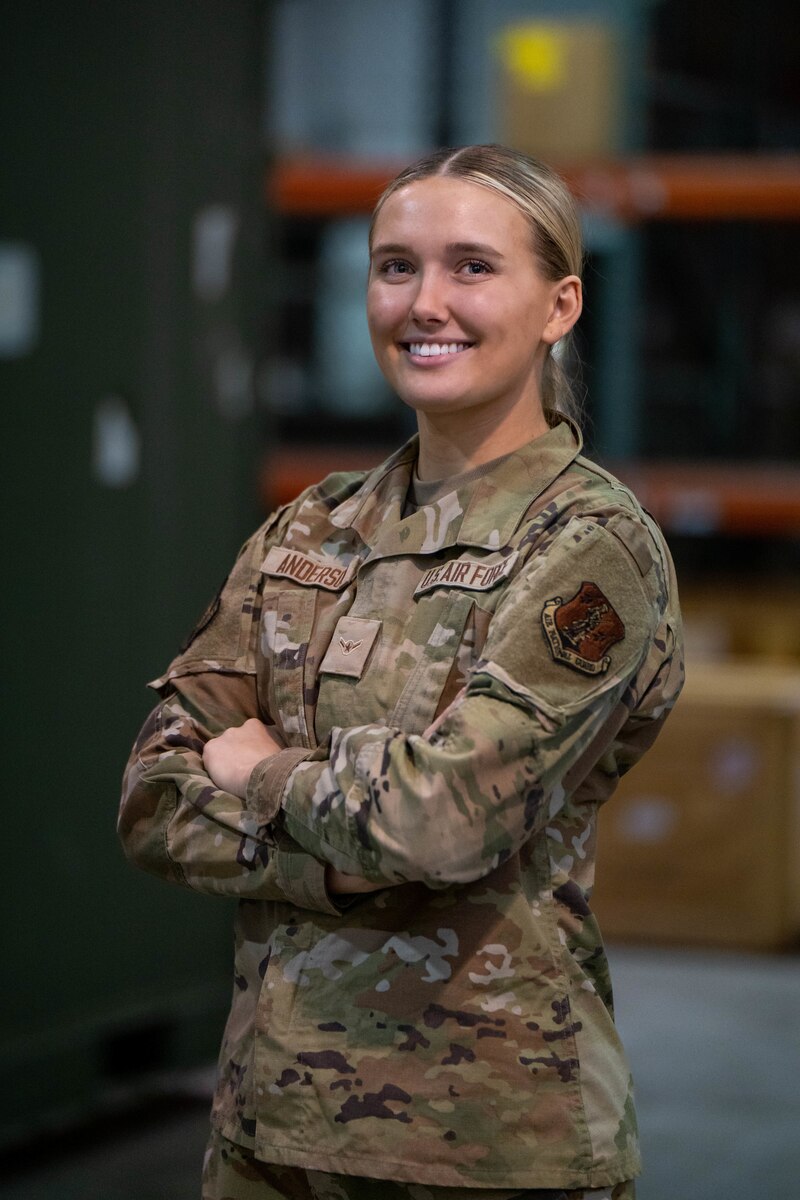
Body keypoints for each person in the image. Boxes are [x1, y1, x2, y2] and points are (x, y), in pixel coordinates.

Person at [119, 144, 683, 1200]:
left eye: (471, 267)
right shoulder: (314, 526)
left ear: (558, 305)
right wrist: (332, 851)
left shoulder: (584, 549)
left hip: (483, 1149)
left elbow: (441, 823)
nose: (425, 304)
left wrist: (260, 776)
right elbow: (151, 797)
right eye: (394, 267)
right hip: (265, 1132)